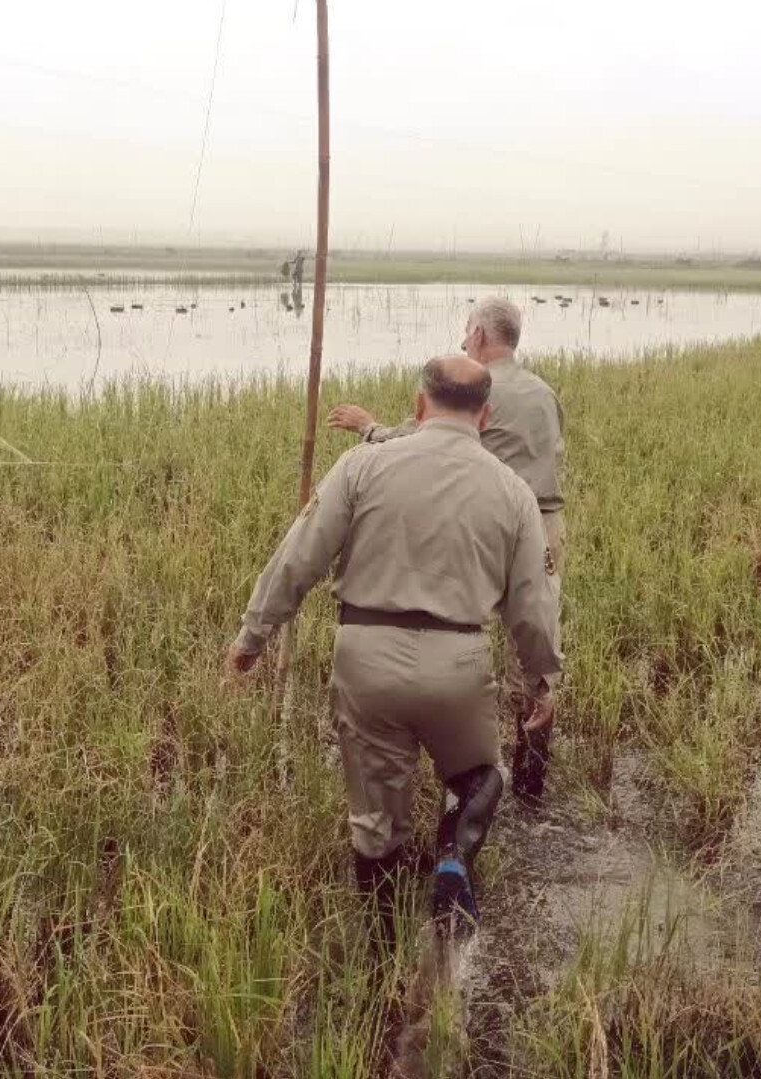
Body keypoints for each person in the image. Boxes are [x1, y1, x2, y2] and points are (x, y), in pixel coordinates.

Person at [226, 354, 562, 944]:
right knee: (479, 777)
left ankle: (383, 946)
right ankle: (453, 857)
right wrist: (542, 678)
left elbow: (298, 558)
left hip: (367, 656)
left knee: (376, 824)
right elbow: (532, 605)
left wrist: (253, 636)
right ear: (485, 415)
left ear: (418, 405)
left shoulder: (362, 465)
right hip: (459, 661)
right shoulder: (513, 492)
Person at [326, 296, 566, 805]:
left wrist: (369, 427)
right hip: (547, 525)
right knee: (533, 644)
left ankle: (460, 768)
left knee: (460, 628)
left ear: (479, 335)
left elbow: (421, 440)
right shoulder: (544, 393)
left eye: (466, 331)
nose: (462, 340)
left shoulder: (479, 390)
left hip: (489, 522)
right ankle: (531, 782)